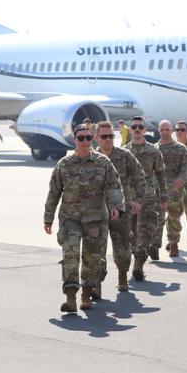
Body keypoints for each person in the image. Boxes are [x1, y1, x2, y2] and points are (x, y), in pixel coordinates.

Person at [43, 123, 125, 313]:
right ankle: (70, 298)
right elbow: (54, 192)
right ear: (75, 141)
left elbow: (114, 186)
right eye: (81, 138)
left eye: (89, 138)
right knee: (70, 255)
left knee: (92, 258)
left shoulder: (103, 162)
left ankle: (86, 295)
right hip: (70, 218)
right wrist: (48, 218)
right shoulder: (64, 164)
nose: (86, 142)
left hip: (95, 218)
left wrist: (115, 207)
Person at [95, 121, 146, 294]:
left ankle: (122, 277)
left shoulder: (125, 155)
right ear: (96, 137)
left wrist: (139, 200)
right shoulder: (91, 157)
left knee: (122, 246)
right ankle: (96, 284)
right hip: (97, 211)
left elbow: (140, 177)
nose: (108, 139)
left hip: (122, 210)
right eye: (104, 136)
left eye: (111, 136)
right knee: (96, 248)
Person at [125, 116, 168, 278]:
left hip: (148, 198)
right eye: (134, 126)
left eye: (140, 127)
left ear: (144, 130)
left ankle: (138, 264)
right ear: (131, 129)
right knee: (131, 233)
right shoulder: (124, 151)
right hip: (129, 198)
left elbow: (161, 174)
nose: (137, 129)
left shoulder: (153, 151)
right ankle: (136, 255)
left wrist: (164, 195)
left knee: (145, 231)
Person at [155, 120, 187, 257]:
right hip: (157, 190)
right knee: (157, 218)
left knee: (174, 218)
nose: (164, 132)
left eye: (167, 129)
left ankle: (174, 243)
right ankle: (155, 244)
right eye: (162, 129)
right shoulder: (154, 149)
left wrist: (182, 179)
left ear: (171, 131)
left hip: (175, 190)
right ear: (159, 131)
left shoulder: (181, 149)